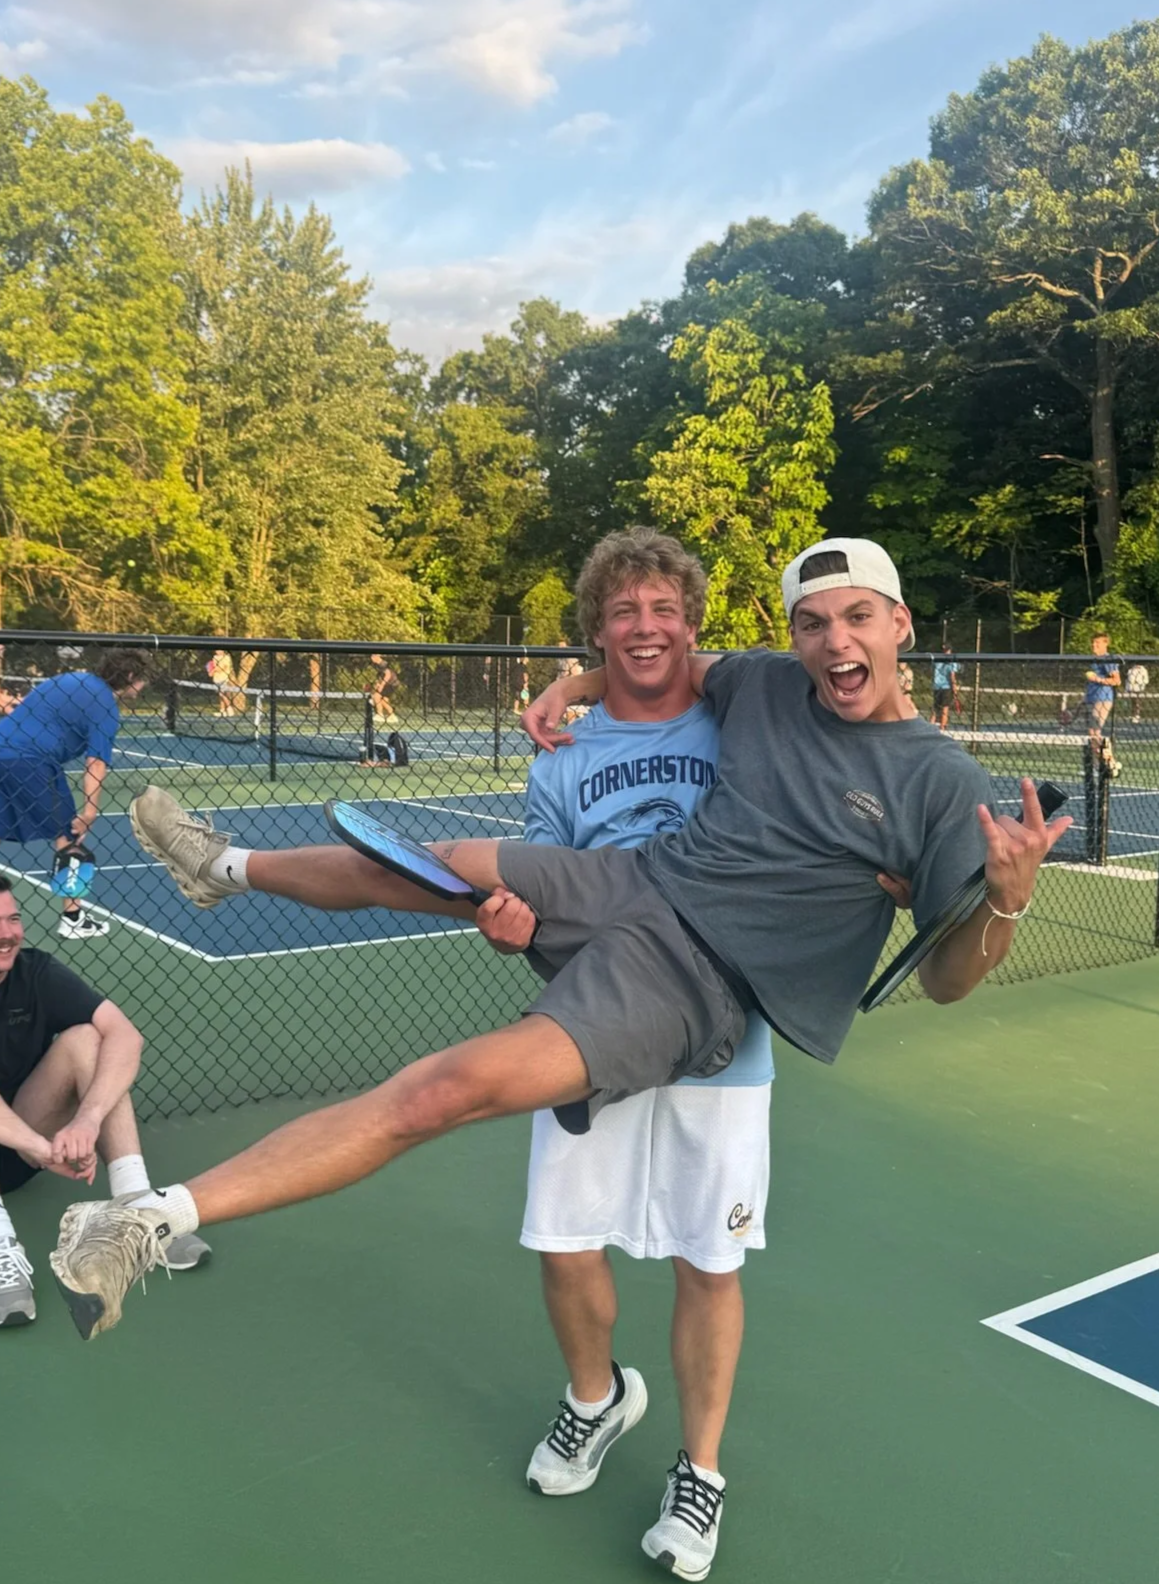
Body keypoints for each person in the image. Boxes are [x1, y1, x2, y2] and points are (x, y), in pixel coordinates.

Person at [50, 537, 1068, 1397]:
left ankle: (149, 1220)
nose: (835, 641)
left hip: (695, 983)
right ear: (794, 633)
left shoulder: (944, 783)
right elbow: (658, 660)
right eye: (815, 622)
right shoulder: (767, 683)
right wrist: (573, 681)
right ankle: (220, 866)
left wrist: (1010, 896)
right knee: (432, 863)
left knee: (443, 1092)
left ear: (900, 626)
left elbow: (943, 980)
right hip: (631, 879)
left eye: (857, 619)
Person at [476, 532, 778, 1577]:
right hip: (591, 1020)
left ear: (692, 621)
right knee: (564, 1242)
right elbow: (544, 898)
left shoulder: (746, 721)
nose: (645, 625)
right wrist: (515, 925)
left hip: (722, 1041)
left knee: (711, 1257)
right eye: (622, 611)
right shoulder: (562, 754)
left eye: (663, 607)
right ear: (597, 629)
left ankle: (700, 1473)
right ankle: (596, 1401)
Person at [0, 877, 210, 1325]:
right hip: (30, 1145)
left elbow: (126, 1035)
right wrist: (40, 1147)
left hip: (19, 1144)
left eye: (13, 919)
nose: (8, 934)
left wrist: (88, 1119)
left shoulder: (35, 972)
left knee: (88, 1041)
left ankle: (136, 1207)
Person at [0, 650, 151, 939]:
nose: (143, 687)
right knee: (71, 832)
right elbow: (95, 762)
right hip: (30, 760)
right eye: (142, 680)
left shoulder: (72, 679)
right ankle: (73, 918)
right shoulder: (105, 705)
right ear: (130, 677)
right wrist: (90, 810)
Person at [1084, 633, 1121, 766]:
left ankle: (1110, 760)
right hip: (1092, 699)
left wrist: (1097, 679)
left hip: (1103, 699)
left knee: (1095, 732)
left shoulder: (1108, 659)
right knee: (1092, 733)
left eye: (1097, 643)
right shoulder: (1094, 661)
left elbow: (1117, 681)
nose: (1094, 645)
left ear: (1105, 644)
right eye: (1093, 643)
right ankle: (1098, 765)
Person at [930, 645, 961, 730]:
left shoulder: (936, 660)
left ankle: (931, 727)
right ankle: (942, 728)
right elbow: (952, 675)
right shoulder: (952, 661)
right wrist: (954, 687)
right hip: (945, 687)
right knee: (944, 709)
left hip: (936, 687)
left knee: (935, 709)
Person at [367, 655, 397, 726]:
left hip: (390, 683)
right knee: (383, 700)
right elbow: (380, 677)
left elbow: (388, 674)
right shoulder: (377, 665)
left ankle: (380, 715)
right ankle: (392, 715)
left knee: (377, 697)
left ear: (376, 657)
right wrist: (377, 685)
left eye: (373, 657)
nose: (371, 658)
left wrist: (382, 685)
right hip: (391, 683)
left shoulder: (382, 663)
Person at [208, 650, 235, 718]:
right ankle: (222, 711)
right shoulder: (215, 657)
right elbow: (213, 667)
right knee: (221, 696)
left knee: (222, 694)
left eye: (220, 650)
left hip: (224, 678)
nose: (218, 651)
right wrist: (212, 670)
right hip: (216, 679)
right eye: (217, 650)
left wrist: (214, 670)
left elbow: (223, 667)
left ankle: (230, 709)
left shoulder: (226, 657)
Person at [1124, 660, 1149, 725]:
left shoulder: (1143, 670)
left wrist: (1139, 682)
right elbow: (1128, 680)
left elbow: (1146, 680)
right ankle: (1133, 715)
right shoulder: (1130, 670)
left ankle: (1136, 716)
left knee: (1137, 702)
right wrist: (1127, 689)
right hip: (1131, 689)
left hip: (1139, 689)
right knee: (1133, 702)